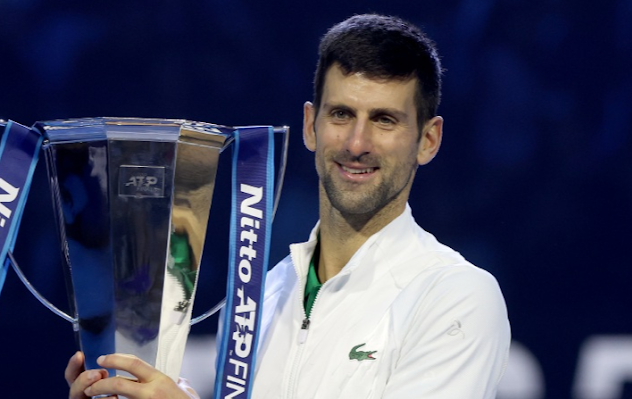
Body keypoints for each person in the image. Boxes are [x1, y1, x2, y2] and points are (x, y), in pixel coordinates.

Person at [67, 13, 511, 399]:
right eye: (341, 115)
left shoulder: (457, 297)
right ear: (310, 126)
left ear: (428, 140)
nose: (357, 144)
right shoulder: (256, 300)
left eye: (384, 120)